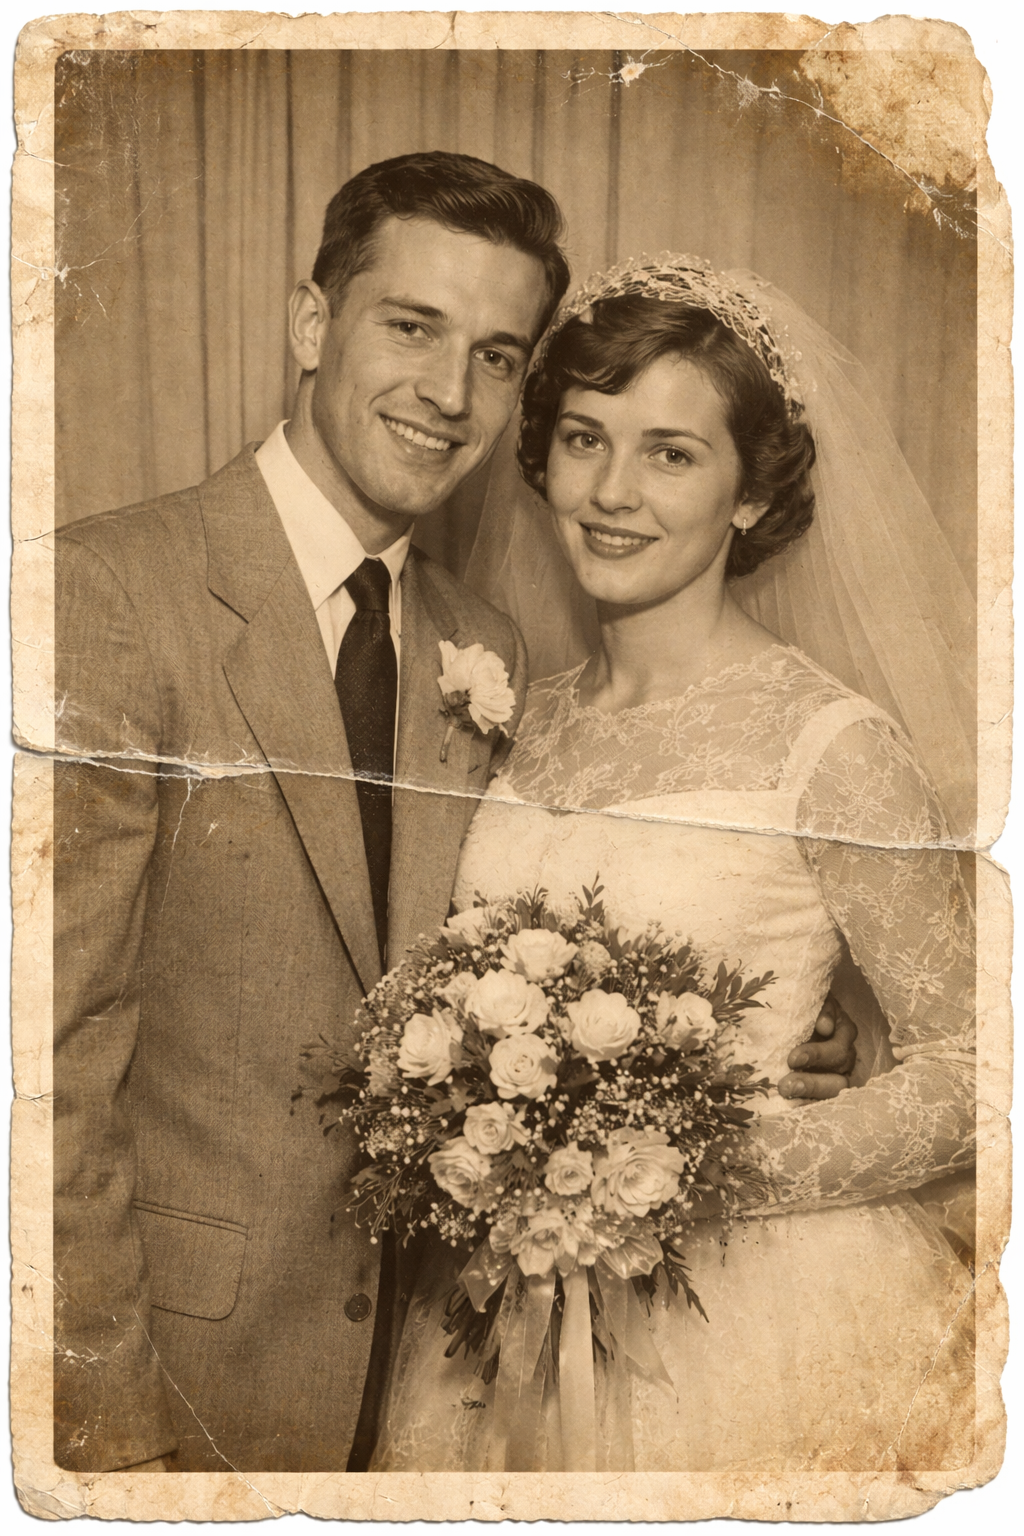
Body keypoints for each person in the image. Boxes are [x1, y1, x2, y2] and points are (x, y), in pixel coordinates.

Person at [371, 257, 977, 1472]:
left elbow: (979, 1071)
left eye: (670, 453)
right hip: (496, 1311)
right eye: (584, 439)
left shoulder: (833, 744)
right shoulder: (509, 718)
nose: (610, 493)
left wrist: (689, 1166)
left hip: (759, 1313)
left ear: (750, 493)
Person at [51, 150, 568, 1473]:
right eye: (412, 327)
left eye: (499, 356)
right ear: (308, 324)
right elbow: (43, 1071)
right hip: (171, 1394)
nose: (450, 396)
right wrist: (107, 1447)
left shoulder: (482, 641)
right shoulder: (105, 594)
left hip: (418, 1395)